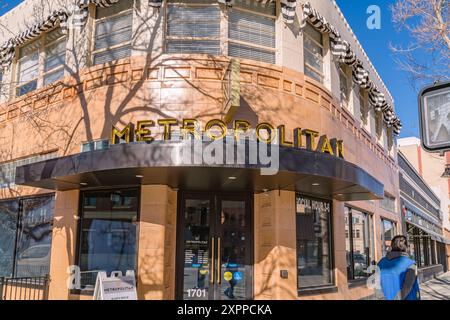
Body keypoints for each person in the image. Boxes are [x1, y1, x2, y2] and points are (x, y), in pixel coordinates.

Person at [377, 235, 420, 300]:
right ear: (406, 247)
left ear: (392, 246)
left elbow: (377, 285)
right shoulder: (410, 264)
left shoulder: (381, 263)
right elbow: (407, 287)